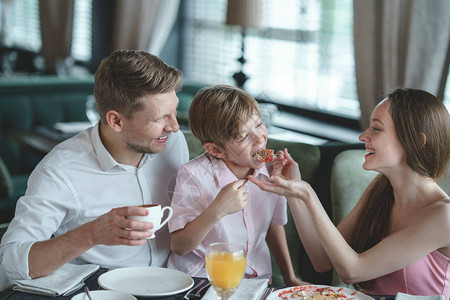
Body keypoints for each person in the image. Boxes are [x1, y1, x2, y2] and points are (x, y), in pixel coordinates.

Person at [0, 50, 189, 290]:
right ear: (116, 121)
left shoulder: (173, 144)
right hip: (102, 293)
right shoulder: (60, 171)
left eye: (174, 112)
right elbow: (7, 266)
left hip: (178, 285)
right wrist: (91, 234)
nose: (174, 127)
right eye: (160, 118)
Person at [249, 88, 450, 297]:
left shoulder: (444, 217)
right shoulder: (381, 190)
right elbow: (321, 259)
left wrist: (308, 194)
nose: (363, 136)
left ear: (416, 142)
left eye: (376, 129)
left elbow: (353, 271)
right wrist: (294, 190)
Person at [167, 85, 305, 286]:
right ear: (216, 149)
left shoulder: (271, 171)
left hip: (255, 280)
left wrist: (290, 277)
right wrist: (217, 210)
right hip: (203, 280)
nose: (260, 138)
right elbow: (179, 246)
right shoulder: (194, 175)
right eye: (243, 137)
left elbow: (273, 225)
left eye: (259, 125)